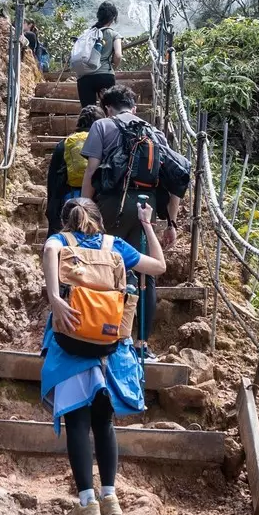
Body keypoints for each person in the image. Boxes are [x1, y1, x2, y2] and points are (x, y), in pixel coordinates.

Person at [40, 197, 166, 515]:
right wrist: (147, 224)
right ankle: (110, 496)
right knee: (104, 423)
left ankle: (87, 504)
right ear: (99, 219)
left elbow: (49, 252)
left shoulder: (60, 242)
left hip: (71, 343)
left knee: (77, 423)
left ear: (67, 221)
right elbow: (159, 266)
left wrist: (54, 296)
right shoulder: (116, 246)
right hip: (110, 348)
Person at [79, 83, 181, 352]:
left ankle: (101, 330)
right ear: (135, 108)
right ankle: (142, 342)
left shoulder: (102, 126)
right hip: (146, 208)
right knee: (145, 273)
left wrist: (85, 207)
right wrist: (171, 222)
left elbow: (91, 172)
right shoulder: (155, 132)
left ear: (107, 108)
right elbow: (174, 177)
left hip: (112, 204)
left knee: (102, 264)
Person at [45, 106, 100, 236]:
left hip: (68, 197)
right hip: (95, 200)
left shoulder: (65, 144)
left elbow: (52, 179)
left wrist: (52, 208)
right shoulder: (102, 144)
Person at [71, 1, 123, 106]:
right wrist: (113, 67)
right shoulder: (114, 34)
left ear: (99, 16)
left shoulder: (87, 33)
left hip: (84, 77)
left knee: (88, 112)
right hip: (105, 76)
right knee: (109, 110)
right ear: (113, 18)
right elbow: (118, 55)